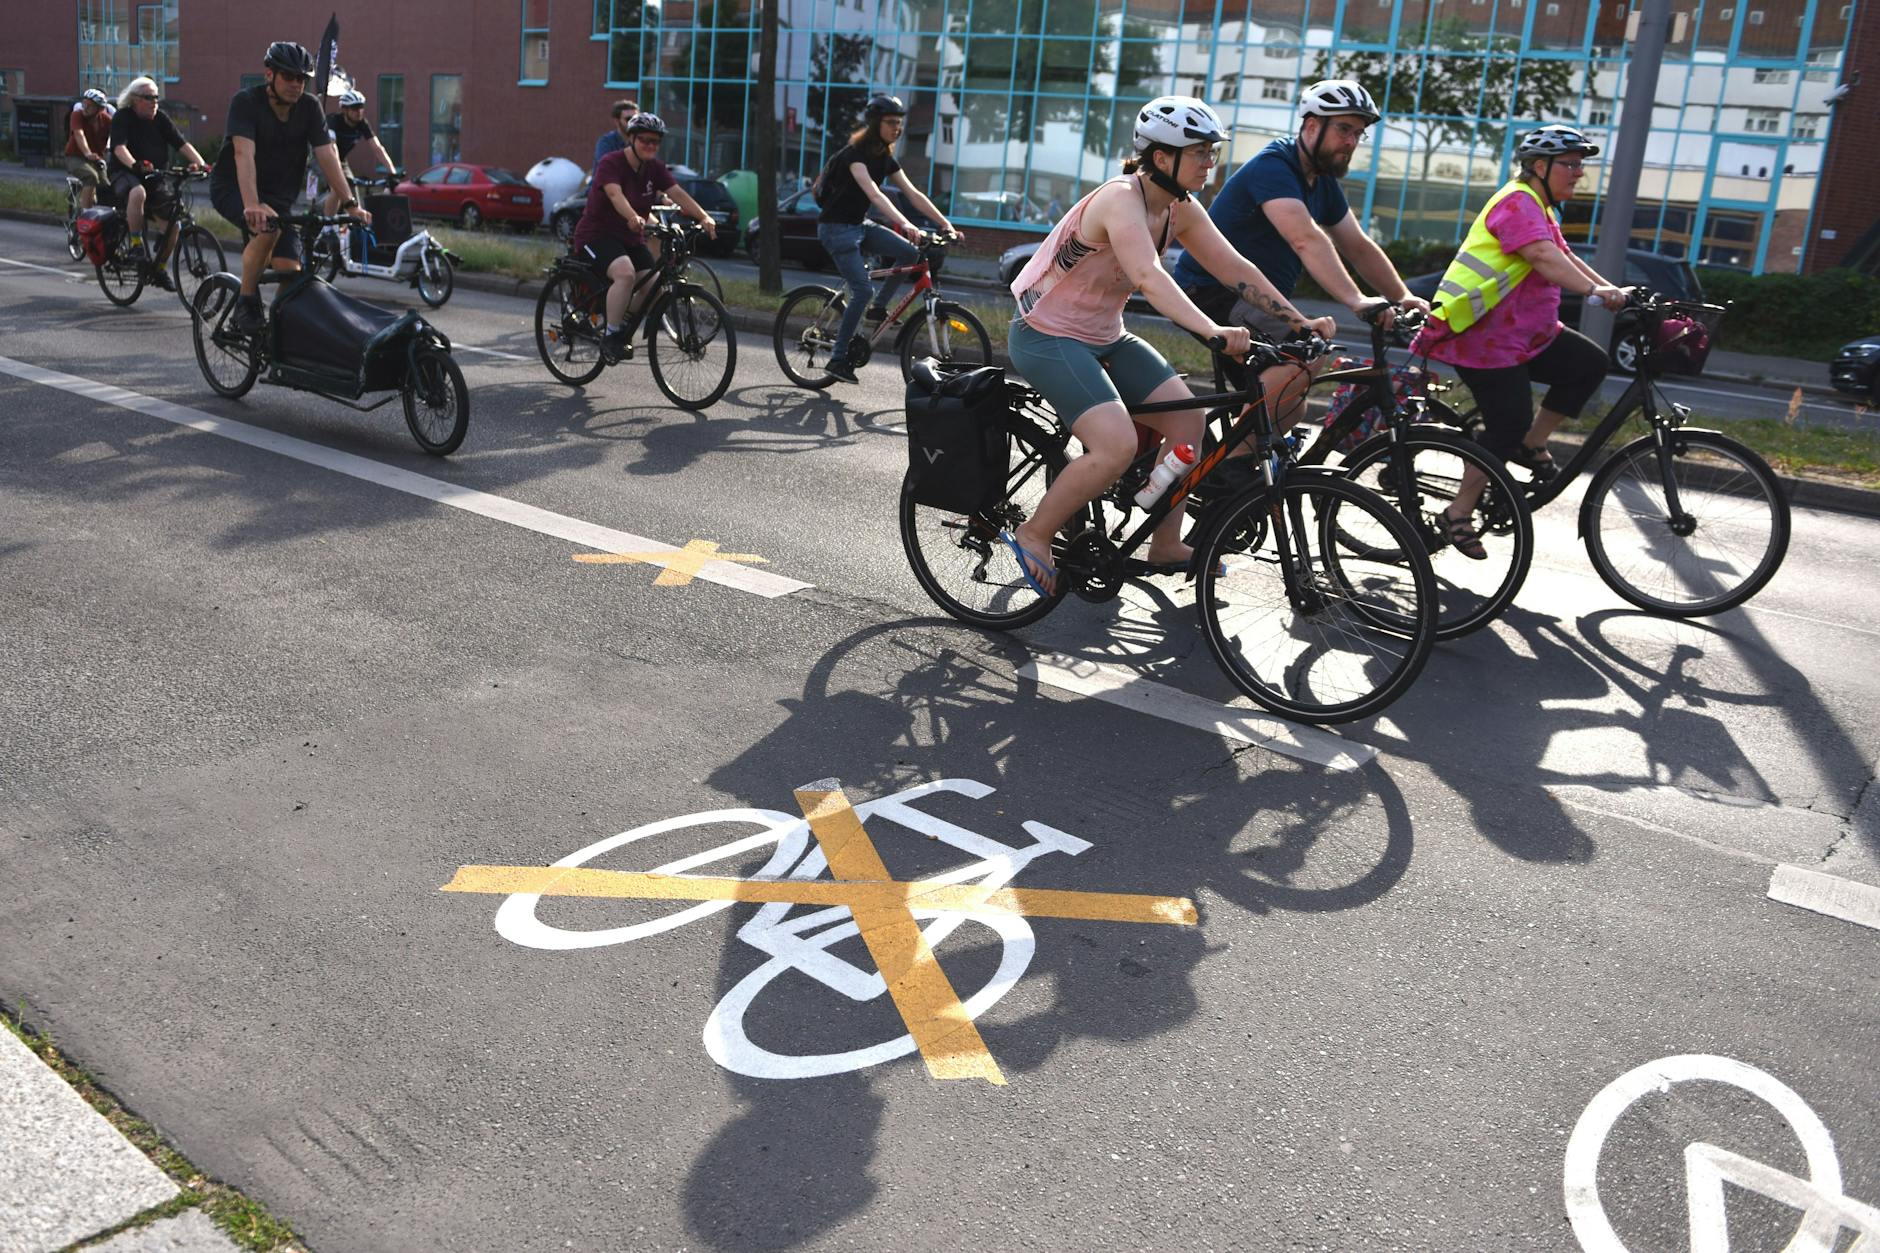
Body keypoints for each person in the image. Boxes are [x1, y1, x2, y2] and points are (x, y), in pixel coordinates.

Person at [1001, 96, 1335, 596]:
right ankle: (1034, 533)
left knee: (1188, 419)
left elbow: (1234, 268)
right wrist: (1213, 332)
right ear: (1162, 158)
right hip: (1046, 335)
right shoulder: (1120, 199)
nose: (1209, 163)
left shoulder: (1178, 206)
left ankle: (1165, 544)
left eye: (1211, 152)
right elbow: (1148, 277)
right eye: (1200, 152)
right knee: (1116, 446)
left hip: (1103, 336)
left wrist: (1297, 321)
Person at [1409, 124, 1626, 558]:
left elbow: (1562, 255)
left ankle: (1533, 442)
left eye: (1581, 165)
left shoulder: (1543, 208)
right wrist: (1594, 293)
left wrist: (1613, 288)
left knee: (1588, 365)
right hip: (1481, 336)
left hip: (1527, 336)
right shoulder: (1517, 202)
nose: (1578, 173)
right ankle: (1458, 512)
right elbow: (1542, 257)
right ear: (1540, 166)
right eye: (1571, 164)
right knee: (1506, 423)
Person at [1173, 78, 1422, 397]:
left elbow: (1357, 246)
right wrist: (1357, 300)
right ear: (1312, 126)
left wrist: (1402, 296)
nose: (1351, 141)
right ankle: (1243, 449)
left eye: (1358, 134)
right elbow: (1305, 238)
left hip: (1249, 300)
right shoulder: (1274, 167)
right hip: (1212, 292)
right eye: (1344, 129)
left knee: (1293, 404)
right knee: (1304, 356)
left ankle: (1255, 442)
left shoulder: (1322, 182)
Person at [210, 40, 369, 334]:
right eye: (289, 77)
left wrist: (351, 204)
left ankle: (274, 334)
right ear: (269, 74)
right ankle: (245, 304)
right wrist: (252, 205)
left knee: (290, 272)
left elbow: (327, 155)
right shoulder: (245, 103)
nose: (296, 85)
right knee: (267, 227)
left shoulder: (308, 108)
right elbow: (243, 154)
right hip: (233, 188)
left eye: (302, 79)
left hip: (278, 198)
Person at [812, 94, 957, 384]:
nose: (897, 128)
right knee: (861, 290)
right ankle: (837, 360)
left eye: (900, 123)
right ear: (875, 123)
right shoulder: (854, 155)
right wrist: (904, 223)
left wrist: (945, 223)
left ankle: (879, 308)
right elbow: (874, 194)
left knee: (910, 254)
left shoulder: (884, 157)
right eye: (891, 122)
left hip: (858, 225)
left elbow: (912, 193)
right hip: (835, 229)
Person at [570, 112, 718, 358]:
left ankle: (622, 320)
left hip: (630, 238)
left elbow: (678, 193)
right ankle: (611, 334)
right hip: (596, 235)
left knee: (654, 286)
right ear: (632, 139)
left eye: (655, 142)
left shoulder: (654, 169)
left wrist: (703, 217)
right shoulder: (611, 162)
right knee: (625, 274)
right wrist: (632, 216)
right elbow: (615, 195)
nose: (650, 146)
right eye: (645, 140)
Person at [106, 77, 207, 292]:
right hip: (124, 172)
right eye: (148, 97)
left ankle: (159, 269)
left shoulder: (160, 118)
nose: (154, 102)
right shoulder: (123, 117)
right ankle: (135, 245)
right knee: (138, 193)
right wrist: (134, 165)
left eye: (156, 97)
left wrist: (200, 163)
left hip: (155, 175)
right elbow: (118, 148)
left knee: (173, 226)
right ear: (134, 100)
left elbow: (181, 142)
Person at [325, 89, 396, 180]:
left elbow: (377, 148)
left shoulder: (362, 124)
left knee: (351, 191)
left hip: (341, 160)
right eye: (354, 108)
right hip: (322, 159)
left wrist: (392, 173)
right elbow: (332, 147)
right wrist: (338, 173)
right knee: (336, 189)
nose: (359, 111)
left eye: (361, 107)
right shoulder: (333, 121)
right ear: (344, 110)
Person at [65, 88, 113, 210]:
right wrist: (87, 153)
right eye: (84, 104)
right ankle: (86, 216)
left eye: (90, 106)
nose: (85, 108)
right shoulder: (77, 115)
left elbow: (118, 135)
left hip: (96, 159)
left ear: (100, 109)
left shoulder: (106, 120)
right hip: (75, 157)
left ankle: (102, 215)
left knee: (106, 186)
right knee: (91, 176)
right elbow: (79, 134)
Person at [593, 98, 641, 168]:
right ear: (617, 121)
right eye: (628, 119)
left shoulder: (640, 142)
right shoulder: (606, 142)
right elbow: (607, 166)